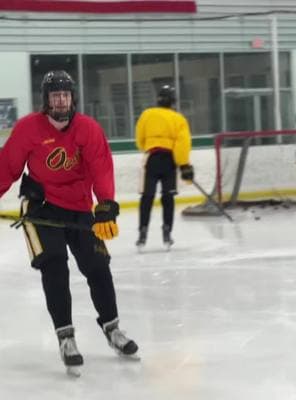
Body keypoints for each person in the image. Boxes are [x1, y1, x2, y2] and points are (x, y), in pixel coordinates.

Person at [0, 70, 138, 374]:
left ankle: (112, 329)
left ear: (72, 98)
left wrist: (105, 206)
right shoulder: (28, 129)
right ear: (46, 100)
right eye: (55, 95)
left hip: (79, 208)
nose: (60, 100)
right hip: (42, 210)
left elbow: (101, 168)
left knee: (98, 267)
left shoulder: (88, 129)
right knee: (55, 266)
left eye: (65, 95)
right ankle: (66, 337)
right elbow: (7, 166)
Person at [135, 84, 194, 249]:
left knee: (147, 196)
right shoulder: (179, 119)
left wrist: (148, 146)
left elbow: (139, 138)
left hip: (151, 158)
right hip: (169, 161)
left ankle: (143, 231)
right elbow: (183, 144)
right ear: (173, 101)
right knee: (168, 197)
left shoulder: (147, 114)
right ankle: (167, 231)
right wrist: (184, 165)